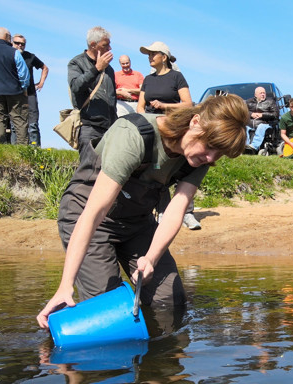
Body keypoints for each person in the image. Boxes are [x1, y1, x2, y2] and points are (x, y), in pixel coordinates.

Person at [36, 95, 249, 328]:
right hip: (88, 216)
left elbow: (176, 212)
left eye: (219, 153)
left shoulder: (198, 159)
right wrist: (65, 286)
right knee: (110, 308)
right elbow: (94, 213)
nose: (210, 158)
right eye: (209, 146)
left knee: (171, 301)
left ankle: (156, 356)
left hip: (137, 223)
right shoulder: (134, 134)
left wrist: (150, 258)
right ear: (195, 122)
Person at [137, 41, 199, 230]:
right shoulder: (148, 79)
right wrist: (143, 120)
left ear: (164, 57)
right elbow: (140, 104)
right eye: (148, 54)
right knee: (157, 167)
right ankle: (162, 210)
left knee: (181, 166)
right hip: (151, 127)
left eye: (153, 53)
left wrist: (165, 106)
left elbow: (188, 104)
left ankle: (187, 213)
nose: (150, 57)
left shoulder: (176, 77)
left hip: (173, 126)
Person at [68, 26, 116, 165]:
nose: (110, 48)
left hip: (109, 128)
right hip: (89, 126)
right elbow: (76, 86)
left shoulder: (109, 69)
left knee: (107, 171)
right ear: (93, 45)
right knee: (87, 172)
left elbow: (112, 98)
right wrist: (96, 69)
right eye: (105, 45)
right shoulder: (76, 62)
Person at [12, 34, 48, 146]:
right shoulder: (8, 55)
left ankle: (35, 149)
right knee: (14, 123)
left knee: (33, 124)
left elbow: (45, 68)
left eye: (22, 44)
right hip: (13, 93)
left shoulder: (30, 56)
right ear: (12, 43)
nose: (20, 45)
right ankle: (15, 148)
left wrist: (41, 82)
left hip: (30, 92)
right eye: (17, 43)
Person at [244, 86, 279, 154]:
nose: (263, 94)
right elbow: (243, 112)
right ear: (255, 95)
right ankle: (245, 146)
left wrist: (262, 115)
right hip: (250, 123)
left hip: (265, 123)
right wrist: (251, 114)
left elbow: (275, 114)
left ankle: (254, 146)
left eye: (264, 93)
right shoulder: (248, 102)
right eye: (261, 93)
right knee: (244, 127)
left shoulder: (270, 102)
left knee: (261, 127)